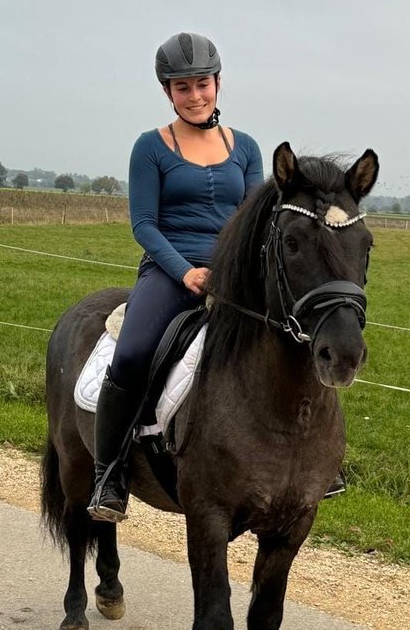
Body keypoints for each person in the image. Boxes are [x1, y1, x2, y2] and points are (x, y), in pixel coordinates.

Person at [88, 31, 263, 522]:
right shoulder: (150, 147)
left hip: (234, 276)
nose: (195, 95)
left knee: (291, 340)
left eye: (202, 83)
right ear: (168, 92)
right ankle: (109, 475)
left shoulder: (246, 147)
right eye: (182, 87)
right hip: (171, 271)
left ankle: (312, 465)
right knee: (132, 354)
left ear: (218, 82)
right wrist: (186, 273)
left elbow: (250, 220)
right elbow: (144, 223)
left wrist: (234, 273)